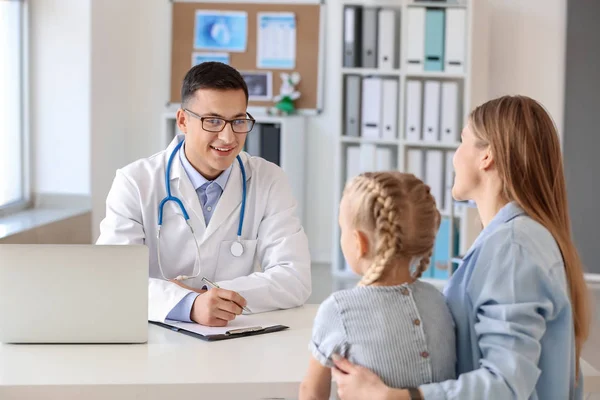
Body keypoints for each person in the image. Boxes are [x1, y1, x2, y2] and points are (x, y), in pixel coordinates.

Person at [329, 95, 591, 400]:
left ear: (486, 156)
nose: (455, 156)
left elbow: (506, 384)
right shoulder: (512, 237)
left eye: (461, 141)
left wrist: (394, 397)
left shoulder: (514, 247)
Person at [97, 62, 311, 325]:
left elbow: (295, 278)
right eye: (213, 121)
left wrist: (208, 297)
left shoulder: (268, 179)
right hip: (156, 334)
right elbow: (114, 279)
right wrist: (187, 305)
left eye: (238, 121)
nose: (228, 137)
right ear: (183, 121)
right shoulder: (135, 182)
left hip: (233, 337)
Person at [299, 172, 456, 400]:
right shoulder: (439, 300)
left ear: (359, 242)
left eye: (342, 229)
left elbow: (311, 392)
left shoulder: (338, 309)